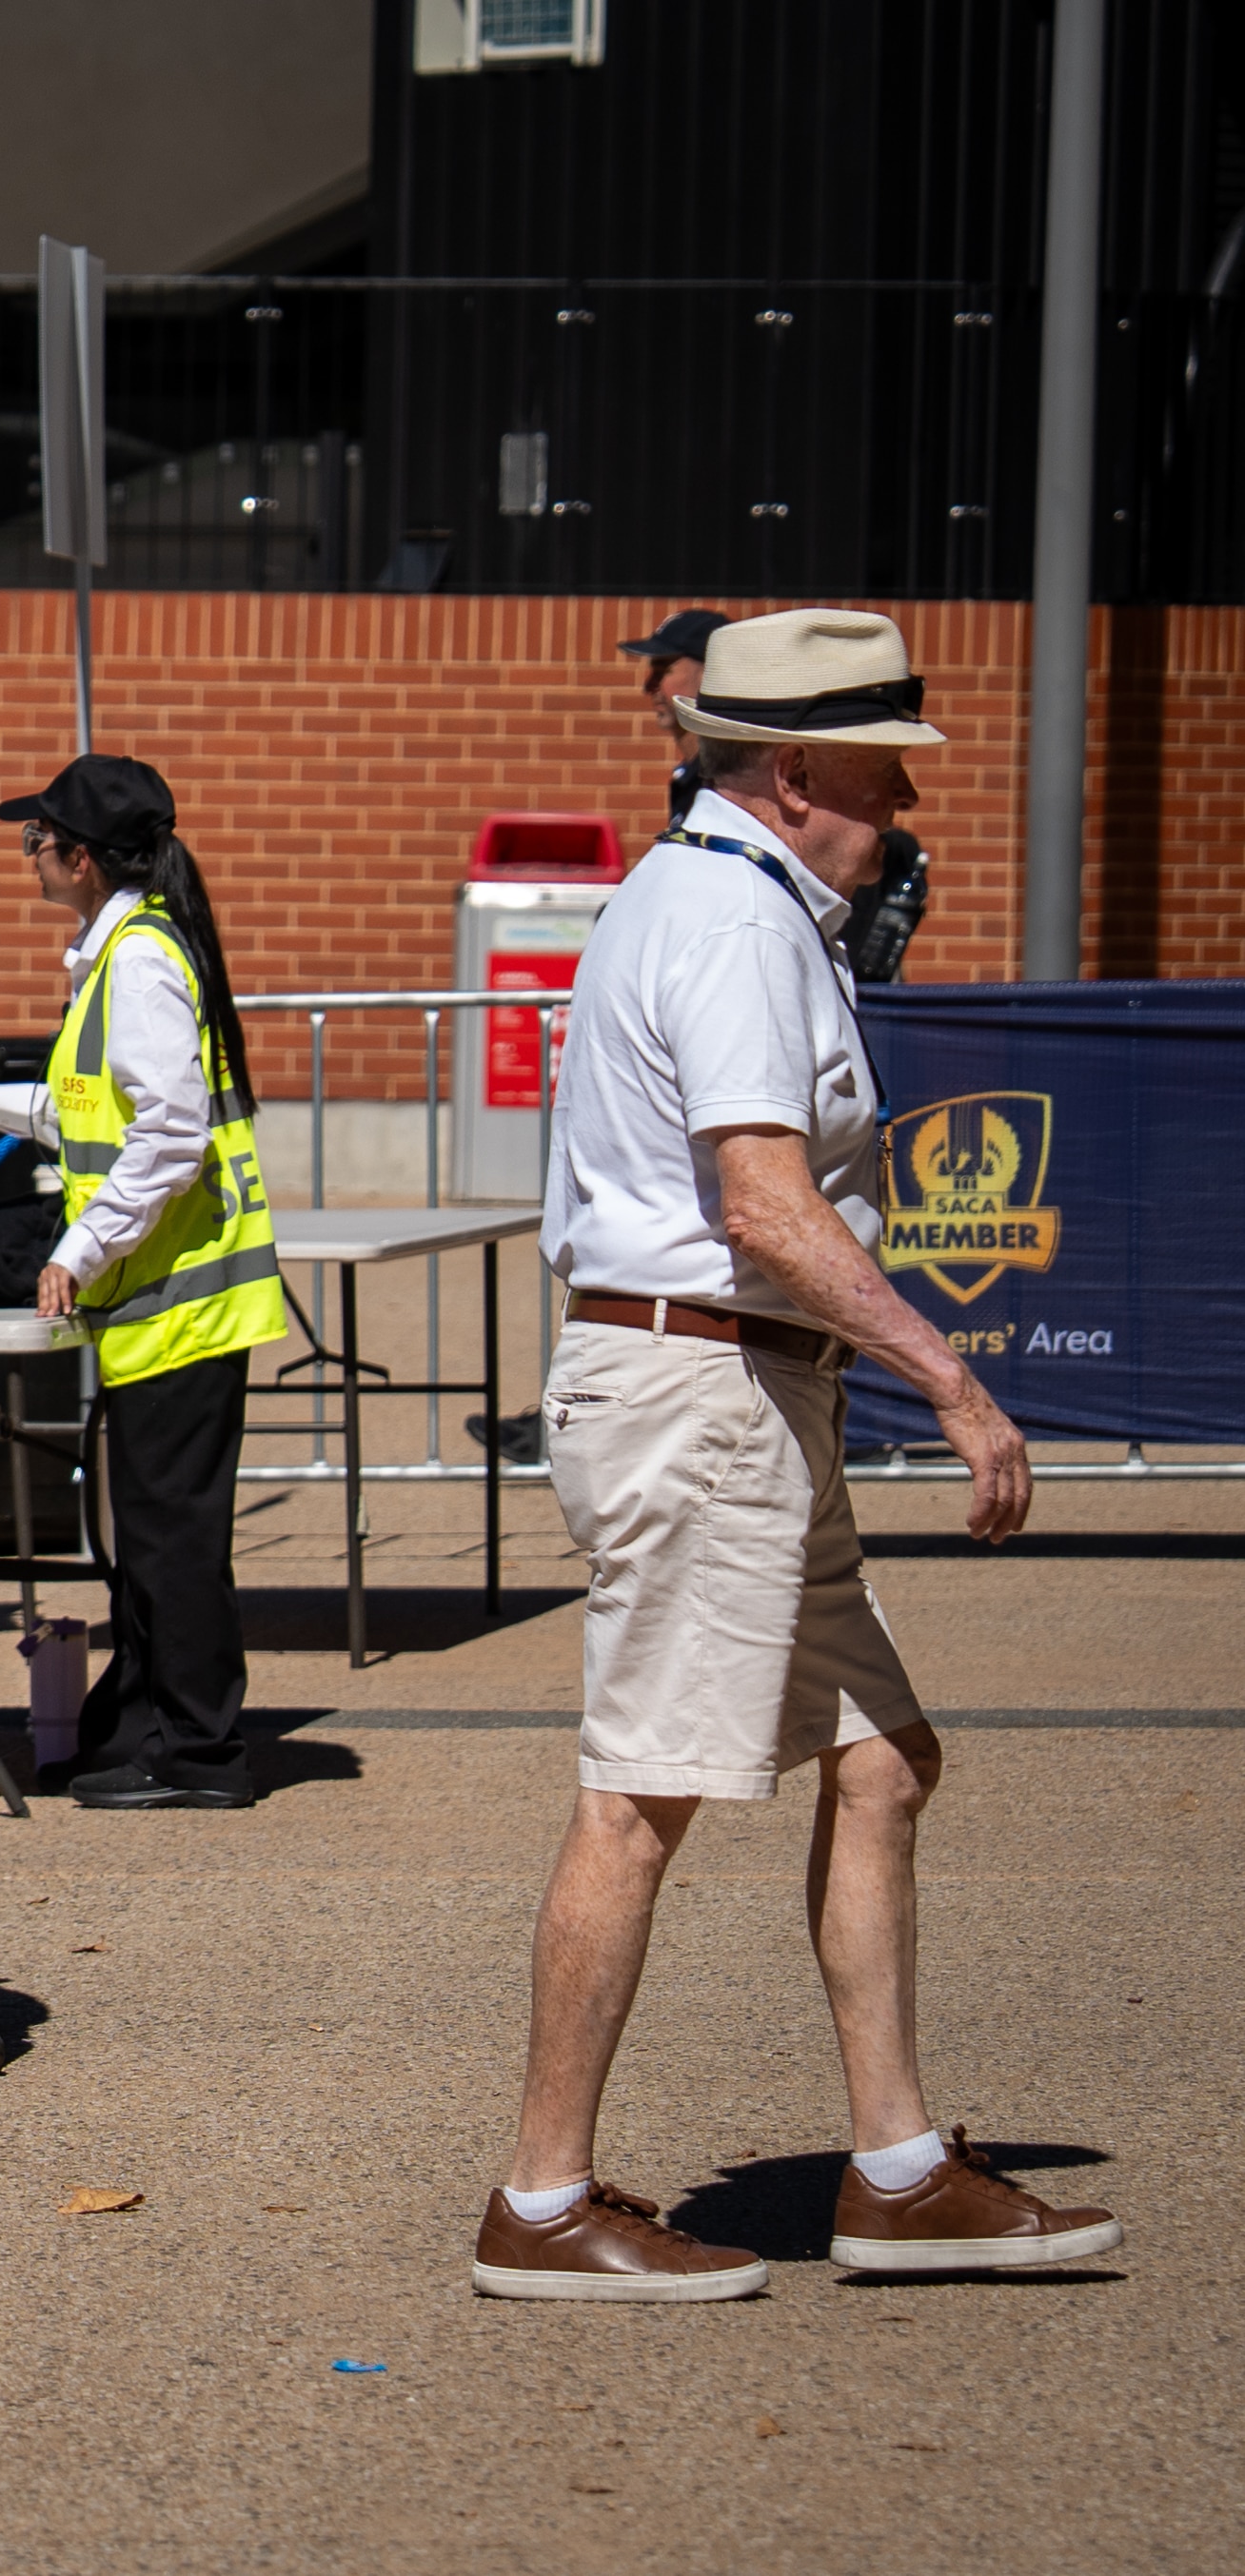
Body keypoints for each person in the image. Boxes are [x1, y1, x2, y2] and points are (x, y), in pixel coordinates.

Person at [477, 607, 1117, 2301]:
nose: (909, 804)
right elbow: (758, 1203)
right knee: (639, 1798)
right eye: (890, 769)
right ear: (798, 768)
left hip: (737, 1395)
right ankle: (540, 2200)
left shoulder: (724, 902)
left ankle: (896, 2170)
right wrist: (954, 1379)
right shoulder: (737, 922)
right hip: (706, 1397)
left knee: (883, 1757)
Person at [0, 756, 288, 1809]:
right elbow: (104, 1107)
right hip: (163, 1306)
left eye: (35, 841)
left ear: (79, 858)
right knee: (155, 1541)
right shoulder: (125, 951)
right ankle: (152, 1725)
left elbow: (167, 1141)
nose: (27, 857)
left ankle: (202, 1752)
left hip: (181, 1305)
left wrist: (74, 1254)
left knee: (174, 1545)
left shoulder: (139, 960)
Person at [618, 606, 727, 830]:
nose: (648, 686)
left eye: (663, 671)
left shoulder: (729, 784)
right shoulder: (692, 775)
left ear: (710, 675)